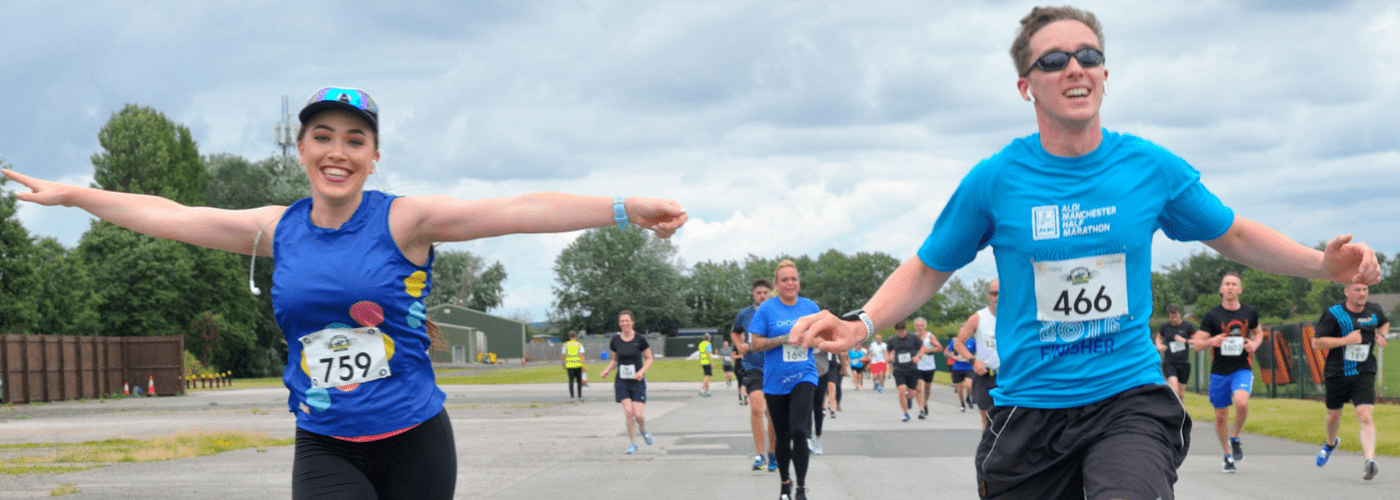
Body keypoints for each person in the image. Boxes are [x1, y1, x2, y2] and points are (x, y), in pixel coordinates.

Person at [783, 6, 1381, 498]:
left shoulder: (1147, 167)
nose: (1076, 67)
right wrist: (861, 322)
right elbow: (929, 266)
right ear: (1026, 86)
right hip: (1030, 414)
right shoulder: (995, 181)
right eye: (1054, 59)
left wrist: (1320, 264)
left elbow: (1235, 234)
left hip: (1127, 399)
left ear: (1104, 73)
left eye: (1089, 55)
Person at [2, 86, 689, 499]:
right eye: (323, 136)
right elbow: (172, 214)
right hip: (326, 442)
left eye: (355, 140)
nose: (338, 150)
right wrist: (74, 196)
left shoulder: (406, 220)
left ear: (373, 156)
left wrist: (625, 207)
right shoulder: (275, 229)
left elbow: (519, 208)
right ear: (301, 148)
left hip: (417, 439)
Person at [747, 260, 821, 500]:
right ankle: (784, 483)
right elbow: (755, 344)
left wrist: (810, 339)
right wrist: (782, 339)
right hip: (775, 380)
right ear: (777, 285)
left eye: (794, 279)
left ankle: (801, 488)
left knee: (799, 430)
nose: (790, 283)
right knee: (781, 434)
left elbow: (821, 339)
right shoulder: (766, 309)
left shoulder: (810, 307)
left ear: (799, 282)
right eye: (785, 280)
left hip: (805, 374)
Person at [1311, 282, 1389, 480]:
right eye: (1357, 289)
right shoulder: (1334, 314)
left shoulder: (1375, 310)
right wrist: (1345, 340)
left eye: (1364, 289)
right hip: (1337, 374)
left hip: (1364, 372)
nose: (1362, 293)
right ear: (1347, 292)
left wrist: (1381, 336)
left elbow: (1384, 323)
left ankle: (1370, 462)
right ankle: (1330, 444)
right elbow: (1316, 342)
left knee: (1365, 415)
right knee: (1333, 417)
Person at [1191, 272, 1262, 473]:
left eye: (1234, 284)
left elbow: (1258, 332)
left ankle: (1236, 436)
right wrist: (1211, 342)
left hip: (1241, 368)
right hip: (1219, 372)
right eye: (1226, 284)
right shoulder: (1212, 316)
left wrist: (1254, 344)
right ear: (1221, 289)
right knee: (1221, 416)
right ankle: (1227, 454)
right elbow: (1197, 345)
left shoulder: (1249, 312)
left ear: (1240, 289)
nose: (1230, 287)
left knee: (1241, 402)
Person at [732, 278, 778, 472]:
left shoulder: (776, 311)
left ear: (771, 294)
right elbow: (735, 332)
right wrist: (739, 345)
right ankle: (759, 455)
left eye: (765, 292)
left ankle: (773, 453)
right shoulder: (745, 314)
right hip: (752, 366)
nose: (762, 296)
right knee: (757, 409)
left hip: (774, 367)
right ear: (753, 294)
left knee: (773, 413)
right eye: (758, 292)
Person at [599, 310, 655, 454]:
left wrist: (641, 372)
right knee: (629, 413)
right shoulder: (615, 340)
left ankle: (642, 429)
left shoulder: (640, 339)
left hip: (637, 381)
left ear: (632, 322)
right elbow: (614, 361)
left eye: (627, 320)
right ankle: (633, 443)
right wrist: (607, 370)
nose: (624, 323)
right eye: (622, 321)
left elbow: (649, 358)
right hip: (622, 381)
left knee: (638, 415)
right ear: (619, 323)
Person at [953, 279, 1000, 430]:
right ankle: (987, 453)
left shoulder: (1014, 317)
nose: (997, 297)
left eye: (1001, 293)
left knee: (1009, 422)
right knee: (987, 421)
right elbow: (958, 343)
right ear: (988, 295)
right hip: (985, 376)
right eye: (994, 293)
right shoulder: (978, 317)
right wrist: (974, 361)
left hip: (1008, 376)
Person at [1154, 304, 1195, 400]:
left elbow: (1196, 340)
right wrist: (1159, 345)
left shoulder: (1188, 326)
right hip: (1169, 362)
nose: (1174, 319)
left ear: (1180, 314)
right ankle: (1171, 411)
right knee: (1174, 389)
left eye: (1176, 317)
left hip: (1184, 364)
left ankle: (1180, 414)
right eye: (1171, 317)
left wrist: (1184, 340)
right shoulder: (1165, 327)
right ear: (1168, 316)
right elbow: (1159, 337)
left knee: (1180, 394)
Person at [886, 321, 924, 422]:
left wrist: (918, 356)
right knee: (901, 390)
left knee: (912, 393)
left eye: (903, 331)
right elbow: (887, 350)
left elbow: (923, 347)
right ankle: (906, 413)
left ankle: (909, 398)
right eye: (899, 331)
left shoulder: (913, 337)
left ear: (906, 330)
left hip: (912, 369)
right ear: (896, 331)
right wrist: (887, 357)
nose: (901, 333)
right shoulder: (893, 340)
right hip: (899, 369)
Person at [914, 317, 945, 419]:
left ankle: (925, 402)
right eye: (918, 325)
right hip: (917, 366)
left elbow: (940, 347)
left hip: (929, 366)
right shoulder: (913, 337)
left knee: (927, 388)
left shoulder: (929, 336)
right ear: (915, 327)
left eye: (922, 325)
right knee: (918, 388)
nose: (920, 327)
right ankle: (921, 409)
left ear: (925, 326)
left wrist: (929, 350)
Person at [948, 336, 976, 412]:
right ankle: (962, 404)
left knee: (969, 385)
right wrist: (955, 357)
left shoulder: (972, 341)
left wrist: (972, 357)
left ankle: (968, 397)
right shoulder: (955, 341)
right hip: (957, 368)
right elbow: (948, 353)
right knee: (959, 389)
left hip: (969, 367)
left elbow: (978, 351)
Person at [562, 330, 586, 402]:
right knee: (579, 382)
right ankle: (580, 396)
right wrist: (584, 366)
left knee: (571, 381)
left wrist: (563, 363)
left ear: (569, 337)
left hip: (569, 366)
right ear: (576, 337)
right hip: (578, 365)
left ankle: (572, 397)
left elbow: (563, 355)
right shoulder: (579, 344)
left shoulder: (565, 345)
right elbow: (582, 356)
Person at [823, 350, 848, 415]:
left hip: (833, 366)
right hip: (821, 364)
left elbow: (842, 354)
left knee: (833, 385)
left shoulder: (834, 341)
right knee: (823, 387)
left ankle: (833, 408)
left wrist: (844, 367)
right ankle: (823, 407)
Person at [697, 333, 715, 397]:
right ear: (709, 338)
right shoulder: (708, 344)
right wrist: (712, 363)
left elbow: (699, 354)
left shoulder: (701, 344)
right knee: (707, 376)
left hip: (702, 361)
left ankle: (707, 391)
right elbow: (708, 354)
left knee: (706, 376)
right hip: (707, 361)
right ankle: (702, 389)